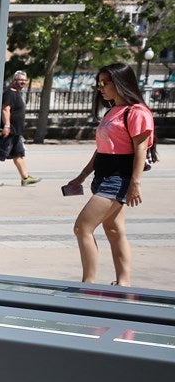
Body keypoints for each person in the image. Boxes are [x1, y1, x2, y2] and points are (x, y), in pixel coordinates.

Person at [66, 62, 154, 286]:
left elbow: (141, 149)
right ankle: (123, 283)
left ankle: (88, 284)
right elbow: (102, 147)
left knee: (82, 227)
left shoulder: (137, 112)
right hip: (102, 177)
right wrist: (83, 175)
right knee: (114, 230)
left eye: (106, 83)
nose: (101, 87)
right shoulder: (112, 111)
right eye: (100, 83)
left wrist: (135, 183)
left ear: (122, 83)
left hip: (118, 179)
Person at [0, 70, 41, 186]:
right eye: (20, 80)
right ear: (14, 80)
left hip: (16, 132)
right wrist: (6, 125)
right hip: (9, 131)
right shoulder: (9, 93)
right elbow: (5, 109)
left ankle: (25, 178)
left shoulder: (17, 93)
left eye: (24, 80)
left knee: (18, 154)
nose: (23, 82)